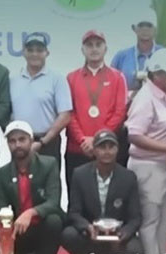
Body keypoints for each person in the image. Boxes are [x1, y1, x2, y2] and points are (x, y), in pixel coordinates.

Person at [125, 48, 166, 254]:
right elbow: (134, 135)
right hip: (149, 168)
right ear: (157, 74)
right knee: (150, 221)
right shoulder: (145, 98)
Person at [62, 130, 142, 254]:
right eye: (102, 147)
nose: (107, 151)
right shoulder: (80, 174)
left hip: (117, 235)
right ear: (94, 150)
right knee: (69, 234)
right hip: (90, 234)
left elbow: (135, 218)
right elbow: (74, 212)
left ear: (117, 150)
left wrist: (124, 233)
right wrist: (87, 227)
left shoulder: (128, 177)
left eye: (111, 147)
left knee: (135, 248)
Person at [0, 121, 63, 254]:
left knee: (54, 220)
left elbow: (54, 202)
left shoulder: (49, 164)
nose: (17, 145)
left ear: (31, 141)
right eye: (12, 141)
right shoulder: (2, 173)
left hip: (42, 225)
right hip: (18, 229)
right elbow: (0, 206)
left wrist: (31, 213)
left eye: (22, 139)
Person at [65, 30, 127, 189]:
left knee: (109, 195)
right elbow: (69, 113)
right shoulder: (71, 78)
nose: (94, 49)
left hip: (107, 149)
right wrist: (82, 139)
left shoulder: (118, 77)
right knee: (77, 196)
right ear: (82, 50)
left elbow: (119, 112)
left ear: (105, 49)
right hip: (78, 149)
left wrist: (97, 139)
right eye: (89, 45)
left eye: (98, 45)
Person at [10, 33, 72, 161]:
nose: (35, 54)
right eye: (30, 50)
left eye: (39, 50)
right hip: (19, 144)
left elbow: (65, 115)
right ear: (23, 53)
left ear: (47, 53)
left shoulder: (57, 79)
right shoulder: (13, 80)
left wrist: (43, 141)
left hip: (48, 143)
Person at [111, 20, 163, 92]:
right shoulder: (120, 57)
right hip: (127, 98)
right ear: (134, 29)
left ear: (155, 29)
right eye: (141, 25)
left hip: (158, 98)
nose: (145, 29)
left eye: (149, 26)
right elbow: (110, 84)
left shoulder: (165, 54)